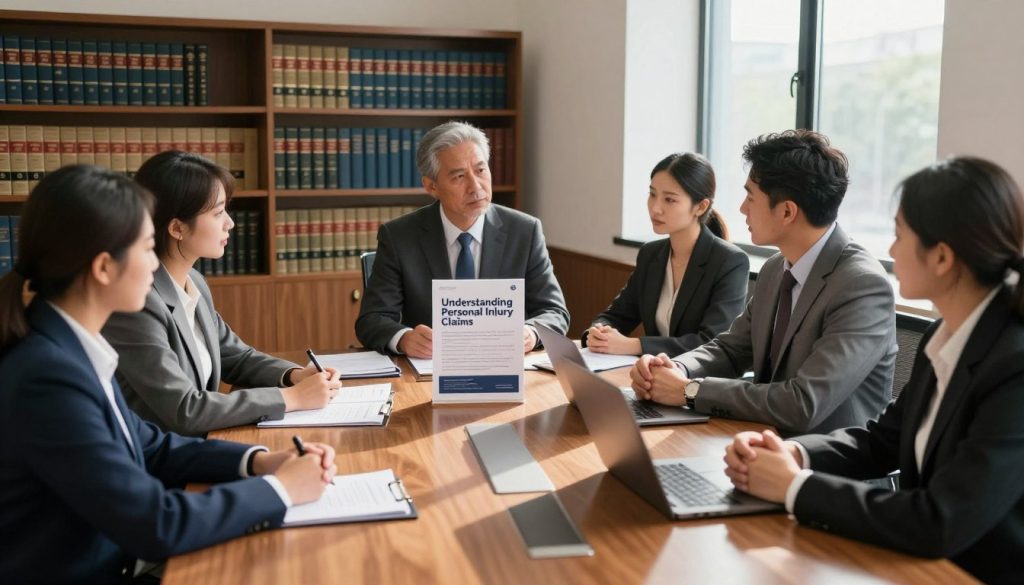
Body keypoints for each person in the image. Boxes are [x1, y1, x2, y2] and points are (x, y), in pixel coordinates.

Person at [0, 165, 336, 583]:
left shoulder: (71, 349)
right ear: (104, 268)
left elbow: (153, 447)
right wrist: (282, 489)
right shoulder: (47, 378)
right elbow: (157, 524)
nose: (154, 264)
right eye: (145, 248)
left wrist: (262, 462)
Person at [724, 157, 1024, 584]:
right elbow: (881, 441)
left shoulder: (1014, 366)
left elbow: (940, 520)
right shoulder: (945, 334)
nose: (890, 250)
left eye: (900, 235)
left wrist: (794, 487)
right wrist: (794, 454)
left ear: (941, 257)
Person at [630, 130, 896, 435]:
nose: (742, 208)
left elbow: (803, 403)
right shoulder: (775, 268)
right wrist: (677, 368)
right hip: (760, 441)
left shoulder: (862, 286)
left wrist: (690, 390)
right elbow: (731, 349)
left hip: (822, 465)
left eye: (750, 196)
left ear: (786, 212)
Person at [102, 151, 342, 437]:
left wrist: (294, 376)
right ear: (177, 227)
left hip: (204, 444)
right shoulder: (138, 303)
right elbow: (185, 409)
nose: (230, 223)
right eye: (218, 213)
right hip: (164, 460)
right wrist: (292, 398)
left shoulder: (194, 281)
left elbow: (236, 357)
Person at [355, 121, 569, 358]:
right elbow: (372, 319)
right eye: (459, 176)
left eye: (480, 170)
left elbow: (554, 311)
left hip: (502, 366)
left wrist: (531, 332)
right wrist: (404, 338)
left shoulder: (525, 231)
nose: (475, 187)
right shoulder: (399, 237)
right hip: (429, 372)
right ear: (431, 186)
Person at [583, 153, 748, 356]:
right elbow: (616, 315)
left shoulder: (729, 261)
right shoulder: (650, 254)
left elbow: (711, 342)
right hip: (649, 375)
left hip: (696, 383)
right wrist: (599, 331)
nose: (655, 208)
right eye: (652, 194)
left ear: (700, 206)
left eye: (669, 200)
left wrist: (636, 345)